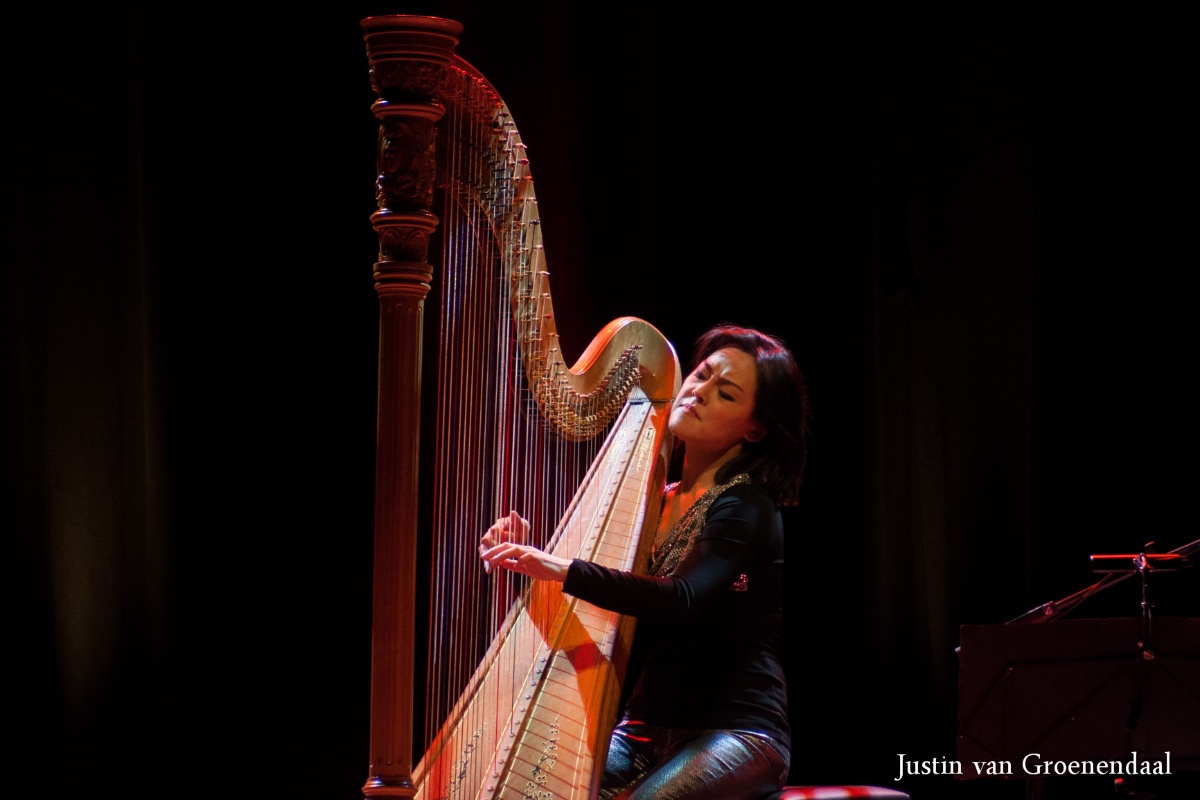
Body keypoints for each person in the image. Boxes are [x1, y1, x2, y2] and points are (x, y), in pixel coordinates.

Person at [479, 323, 810, 800]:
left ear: (754, 428)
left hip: (735, 734)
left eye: (726, 394)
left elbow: (681, 599)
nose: (698, 393)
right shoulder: (651, 502)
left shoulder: (746, 506)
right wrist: (522, 560)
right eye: (700, 376)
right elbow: (591, 601)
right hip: (645, 733)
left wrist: (556, 566)